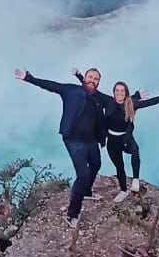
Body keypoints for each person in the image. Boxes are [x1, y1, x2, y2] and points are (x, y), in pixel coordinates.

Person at [14, 66, 115, 228]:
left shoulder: (98, 98)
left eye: (96, 79)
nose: (92, 80)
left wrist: (136, 97)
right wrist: (29, 78)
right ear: (85, 78)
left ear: (98, 82)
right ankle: (72, 214)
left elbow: (118, 100)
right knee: (82, 175)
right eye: (90, 77)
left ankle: (87, 192)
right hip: (74, 141)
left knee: (96, 164)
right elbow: (50, 85)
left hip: (91, 140)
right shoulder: (70, 90)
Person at [75, 69, 159, 201]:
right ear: (114, 93)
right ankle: (123, 190)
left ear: (126, 93)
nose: (119, 93)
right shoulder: (108, 101)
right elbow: (91, 90)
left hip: (126, 138)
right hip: (112, 140)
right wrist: (79, 75)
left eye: (122, 91)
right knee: (119, 166)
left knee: (135, 150)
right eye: (117, 91)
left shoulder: (132, 104)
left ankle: (135, 180)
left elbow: (152, 102)